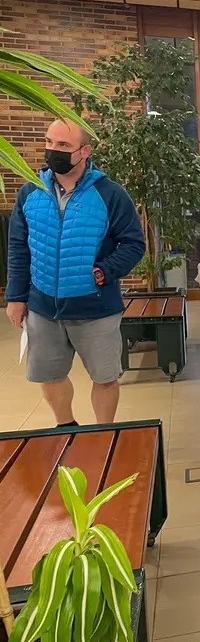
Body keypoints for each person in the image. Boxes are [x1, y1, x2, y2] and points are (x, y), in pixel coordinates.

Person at [5, 119, 146, 426]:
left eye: (63, 145)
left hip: (96, 307)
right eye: (49, 142)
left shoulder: (110, 194)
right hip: (43, 306)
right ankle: (66, 427)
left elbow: (134, 244)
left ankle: (103, 433)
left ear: (84, 151)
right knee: (50, 375)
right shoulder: (30, 191)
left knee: (105, 377)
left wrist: (104, 272)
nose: (53, 150)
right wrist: (15, 297)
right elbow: (18, 247)